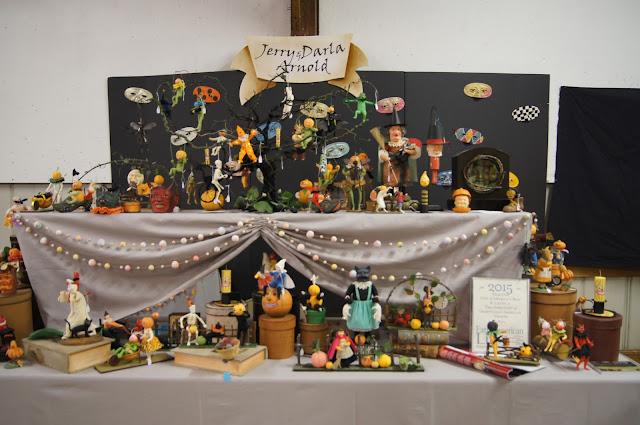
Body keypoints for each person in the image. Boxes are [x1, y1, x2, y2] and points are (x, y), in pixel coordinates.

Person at [377, 107, 421, 192]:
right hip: (390, 167)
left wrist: (407, 151)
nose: (396, 132)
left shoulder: (405, 143)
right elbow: (381, 153)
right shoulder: (387, 145)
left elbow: (415, 152)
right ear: (389, 132)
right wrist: (385, 157)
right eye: (393, 130)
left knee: (402, 183)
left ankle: (402, 195)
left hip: (402, 167)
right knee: (390, 185)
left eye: (398, 129)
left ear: (401, 132)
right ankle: (390, 195)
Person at [342, 266, 382, 337]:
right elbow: (348, 294)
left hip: (368, 306)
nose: (363, 275)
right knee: (357, 321)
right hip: (356, 306)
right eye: (360, 273)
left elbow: (376, 294)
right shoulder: (354, 285)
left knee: (368, 321)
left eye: (365, 273)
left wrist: (376, 298)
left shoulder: (371, 285)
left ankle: (367, 338)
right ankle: (356, 337)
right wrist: (347, 298)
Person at [58, 272, 97, 339]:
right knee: (70, 322)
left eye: (71, 287)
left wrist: (73, 294)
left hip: (80, 312)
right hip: (74, 312)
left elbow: (75, 298)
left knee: (77, 322)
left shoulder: (77, 294)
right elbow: (69, 299)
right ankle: (69, 333)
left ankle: (70, 333)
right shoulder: (71, 294)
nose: (69, 289)